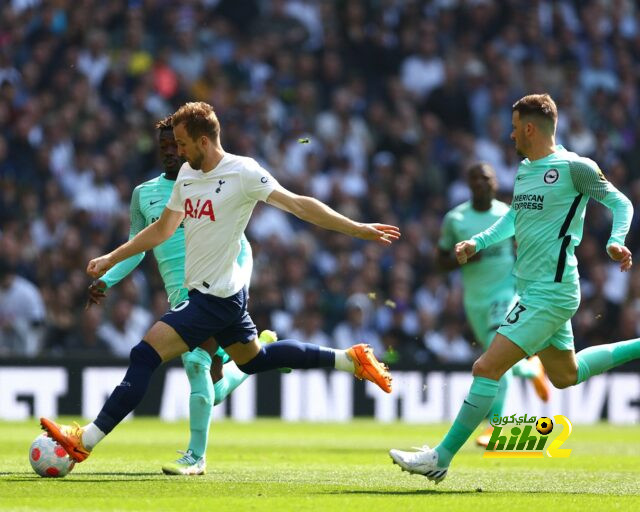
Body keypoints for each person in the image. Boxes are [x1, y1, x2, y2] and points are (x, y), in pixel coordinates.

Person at [41, 101, 398, 464]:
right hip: (218, 296)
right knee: (254, 360)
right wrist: (110, 258)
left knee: (145, 354)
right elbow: (162, 229)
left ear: (204, 141)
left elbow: (299, 205)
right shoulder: (188, 176)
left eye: (182, 144)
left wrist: (356, 228)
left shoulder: (243, 172)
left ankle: (86, 439)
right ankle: (349, 359)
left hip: (215, 297)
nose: (177, 151)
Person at [390, 93, 637, 483]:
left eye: (514, 126)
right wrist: (478, 242)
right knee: (565, 375)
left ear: (528, 128)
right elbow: (514, 220)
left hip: (551, 291)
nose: (510, 135)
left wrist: (615, 240)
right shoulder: (524, 170)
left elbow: (621, 203)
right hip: (535, 289)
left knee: (486, 367)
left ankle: (441, 457)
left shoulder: (575, 167)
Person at [84, 115, 273, 475]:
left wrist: (233, 287)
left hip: (217, 290)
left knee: (195, 363)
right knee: (213, 388)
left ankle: (195, 457)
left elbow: (243, 246)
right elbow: (138, 248)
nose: (171, 152)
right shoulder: (145, 194)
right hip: (181, 296)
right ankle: (252, 360)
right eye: (164, 147)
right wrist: (107, 279)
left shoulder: (215, 182)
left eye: (176, 145)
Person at [436, 162, 551, 447]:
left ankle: (494, 425)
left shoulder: (506, 214)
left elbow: (527, 249)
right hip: (475, 301)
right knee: (497, 358)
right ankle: (530, 368)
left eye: (485, 178)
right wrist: (458, 260)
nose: (480, 183)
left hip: (505, 295)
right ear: (468, 184)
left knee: (495, 359)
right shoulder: (455, 219)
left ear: (495, 182)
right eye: (474, 179)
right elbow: (439, 262)